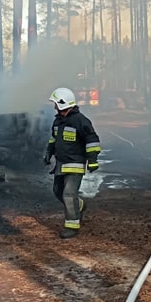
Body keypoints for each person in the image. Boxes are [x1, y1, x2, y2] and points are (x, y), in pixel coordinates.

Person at [43, 87, 101, 239]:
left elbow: (92, 141)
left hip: (75, 164)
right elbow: (53, 139)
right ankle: (79, 206)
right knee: (57, 191)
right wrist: (48, 153)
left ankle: (72, 225)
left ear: (62, 103)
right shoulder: (57, 121)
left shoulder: (80, 121)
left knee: (69, 194)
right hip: (61, 164)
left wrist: (92, 161)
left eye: (56, 103)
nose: (54, 106)